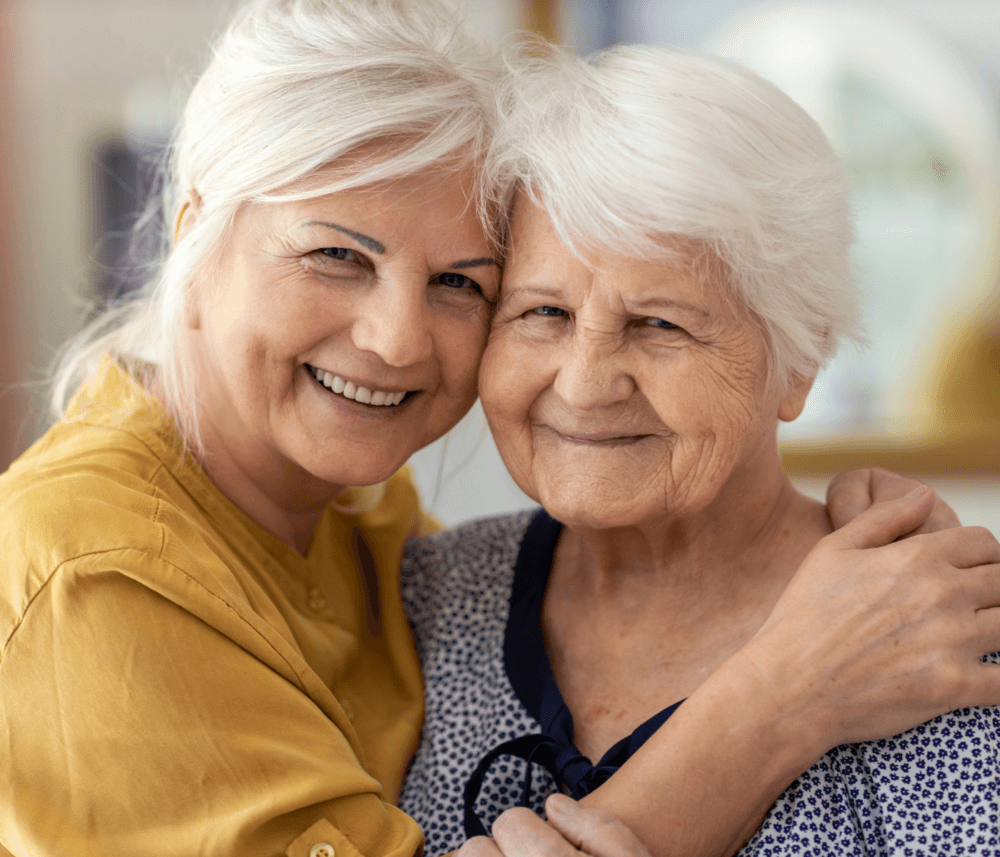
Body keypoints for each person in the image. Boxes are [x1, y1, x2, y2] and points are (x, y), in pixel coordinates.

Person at [0, 2, 986, 855]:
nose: (393, 342)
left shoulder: (377, 536)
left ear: (801, 358)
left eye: (459, 283)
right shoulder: (97, 573)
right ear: (191, 236)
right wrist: (783, 691)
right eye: (335, 254)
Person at [398, 44, 1000, 857]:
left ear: (800, 361)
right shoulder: (419, 599)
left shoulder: (943, 635)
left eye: (660, 323)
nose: (583, 385)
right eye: (543, 312)